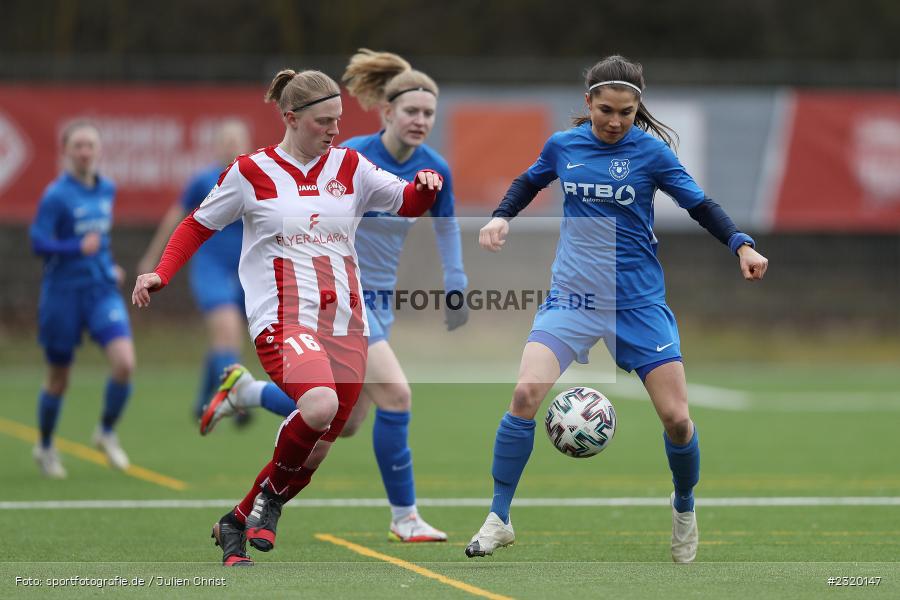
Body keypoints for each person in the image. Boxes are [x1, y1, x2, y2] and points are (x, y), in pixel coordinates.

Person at [463, 55, 769, 563]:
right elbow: (528, 181)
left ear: (637, 109)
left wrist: (741, 243)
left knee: (676, 420)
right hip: (574, 297)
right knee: (524, 393)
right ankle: (499, 517)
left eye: (626, 112)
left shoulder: (651, 154)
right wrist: (501, 217)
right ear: (588, 103)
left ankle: (685, 507)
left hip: (637, 302)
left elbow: (699, 203)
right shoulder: (564, 146)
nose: (614, 121)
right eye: (605, 110)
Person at [132, 68, 443, 566]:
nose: (334, 130)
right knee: (318, 408)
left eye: (338, 120)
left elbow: (406, 202)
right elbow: (196, 224)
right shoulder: (251, 171)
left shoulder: (351, 167)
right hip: (283, 319)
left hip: (347, 322)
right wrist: (160, 273)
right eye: (323, 121)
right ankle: (270, 504)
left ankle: (236, 521)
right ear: (290, 117)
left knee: (324, 442)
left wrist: (426, 188)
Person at [198, 49, 467, 543]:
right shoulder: (351, 153)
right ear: (387, 112)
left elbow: (440, 220)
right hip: (331, 302)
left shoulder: (433, 166)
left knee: (343, 424)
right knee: (396, 395)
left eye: (429, 113)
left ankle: (247, 392)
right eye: (411, 111)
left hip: (375, 302)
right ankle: (404, 516)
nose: (421, 121)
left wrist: (456, 278)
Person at [30, 121, 136, 478]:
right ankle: (44, 446)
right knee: (59, 377)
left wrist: (109, 265)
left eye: (91, 144)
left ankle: (105, 431)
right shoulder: (56, 195)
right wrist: (75, 247)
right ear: (66, 151)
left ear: (99, 150)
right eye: (78, 145)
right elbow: (38, 242)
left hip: (100, 290)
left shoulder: (107, 188)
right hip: (63, 295)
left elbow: (100, 240)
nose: (85, 151)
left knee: (124, 363)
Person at [137, 121, 253, 422]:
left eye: (236, 140)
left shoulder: (255, 178)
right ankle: (237, 398)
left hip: (245, 271)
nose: (231, 145)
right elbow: (177, 218)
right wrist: (153, 256)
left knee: (226, 340)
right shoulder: (203, 180)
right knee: (227, 330)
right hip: (210, 268)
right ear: (216, 146)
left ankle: (203, 400)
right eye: (226, 140)